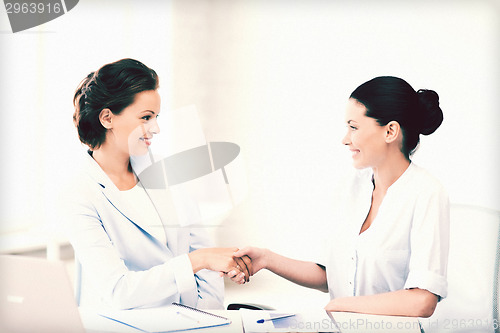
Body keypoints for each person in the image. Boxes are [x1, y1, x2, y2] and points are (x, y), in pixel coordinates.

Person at [234, 76, 449, 318]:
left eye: (354, 127)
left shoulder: (427, 193)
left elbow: (423, 301)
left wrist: (342, 305)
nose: (345, 139)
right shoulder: (351, 186)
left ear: (390, 131)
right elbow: (333, 275)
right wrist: (266, 259)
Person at [63, 58, 250, 310]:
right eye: (146, 117)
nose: (156, 128)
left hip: (190, 320)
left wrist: (205, 316)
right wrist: (198, 260)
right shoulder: (80, 194)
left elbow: (202, 251)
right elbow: (119, 291)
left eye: (156, 117)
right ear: (107, 118)